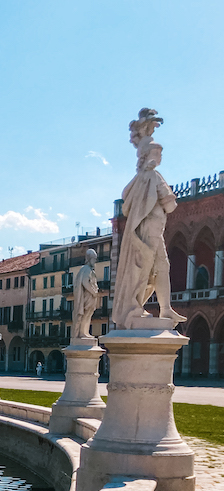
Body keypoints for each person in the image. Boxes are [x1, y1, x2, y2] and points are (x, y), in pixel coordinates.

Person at [112, 109, 185, 328]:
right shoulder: (152, 177)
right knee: (154, 269)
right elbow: (170, 205)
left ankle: (164, 309)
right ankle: (149, 308)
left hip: (151, 232)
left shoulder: (143, 179)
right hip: (151, 233)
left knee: (157, 269)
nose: (161, 157)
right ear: (151, 155)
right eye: (159, 153)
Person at [72, 248, 100, 340]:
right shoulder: (86, 269)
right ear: (89, 258)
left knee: (88, 315)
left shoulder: (89, 270)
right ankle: (82, 332)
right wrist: (93, 292)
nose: (95, 261)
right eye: (93, 259)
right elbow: (85, 282)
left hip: (91, 297)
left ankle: (85, 332)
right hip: (88, 296)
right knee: (86, 314)